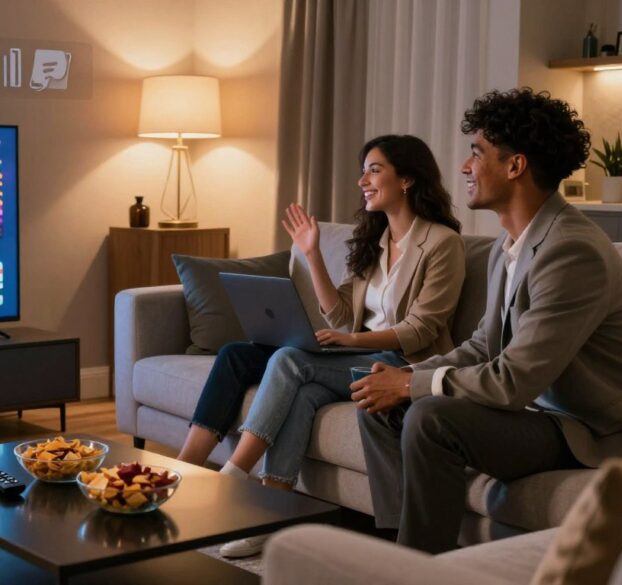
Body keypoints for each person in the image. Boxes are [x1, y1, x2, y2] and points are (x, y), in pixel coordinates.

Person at [354, 88, 622, 554]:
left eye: (477, 153)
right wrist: (402, 377)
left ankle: (420, 570)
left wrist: (414, 387)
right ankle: (400, 549)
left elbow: (513, 381)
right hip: (540, 413)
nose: (464, 167)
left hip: (588, 429)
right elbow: (482, 345)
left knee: (432, 418)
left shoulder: (571, 251)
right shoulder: (506, 246)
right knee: (379, 402)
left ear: (515, 166)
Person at [176, 135, 467, 559]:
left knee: (291, 361)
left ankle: (233, 476)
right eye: (363, 169)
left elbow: (420, 331)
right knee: (305, 392)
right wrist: (312, 255)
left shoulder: (442, 244)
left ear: (406, 178)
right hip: (356, 355)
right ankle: (268, 516)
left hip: (400, 363)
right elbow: (341, 315)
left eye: (373, 169)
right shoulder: (377, 241)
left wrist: (352, 340)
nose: (361, 180)